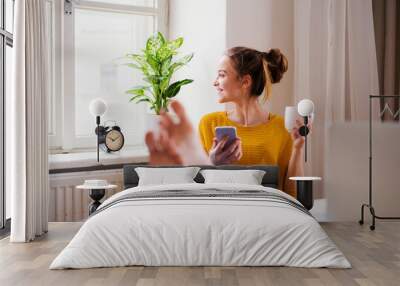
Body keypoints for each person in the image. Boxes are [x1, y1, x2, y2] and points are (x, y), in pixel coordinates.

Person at [145, 47, 312, 197]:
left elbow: (292, 194)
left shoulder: (281, 127)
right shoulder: (209, 123)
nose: (215, 82)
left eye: (222, 75)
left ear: (245, 82)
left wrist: (298, 147)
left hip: (267, 210)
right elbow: (197, 189)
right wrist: (212, 163)